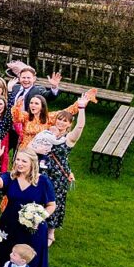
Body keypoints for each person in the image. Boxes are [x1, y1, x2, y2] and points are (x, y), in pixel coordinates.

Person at [37, 95, 89, 246]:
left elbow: (80, 127)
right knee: (40, 198)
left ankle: (50, 232)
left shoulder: (69, 138)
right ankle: (36, 223)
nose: (61, 122)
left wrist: (81, 108)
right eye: (59, 119)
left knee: (55, 200)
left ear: (69, 124)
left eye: (65, 120)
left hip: (58, 175)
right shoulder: (48, 134)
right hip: (43, 171)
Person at [11, 90, 94, 150]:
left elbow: (68, 111)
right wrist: (18, 106)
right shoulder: (26, 116)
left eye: (36, 103)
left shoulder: (49, 117)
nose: (33, 105)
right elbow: (16, 117)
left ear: (42, 106)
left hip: (41, 150)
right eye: (31, 103)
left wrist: (82, 103)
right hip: (25, 149)